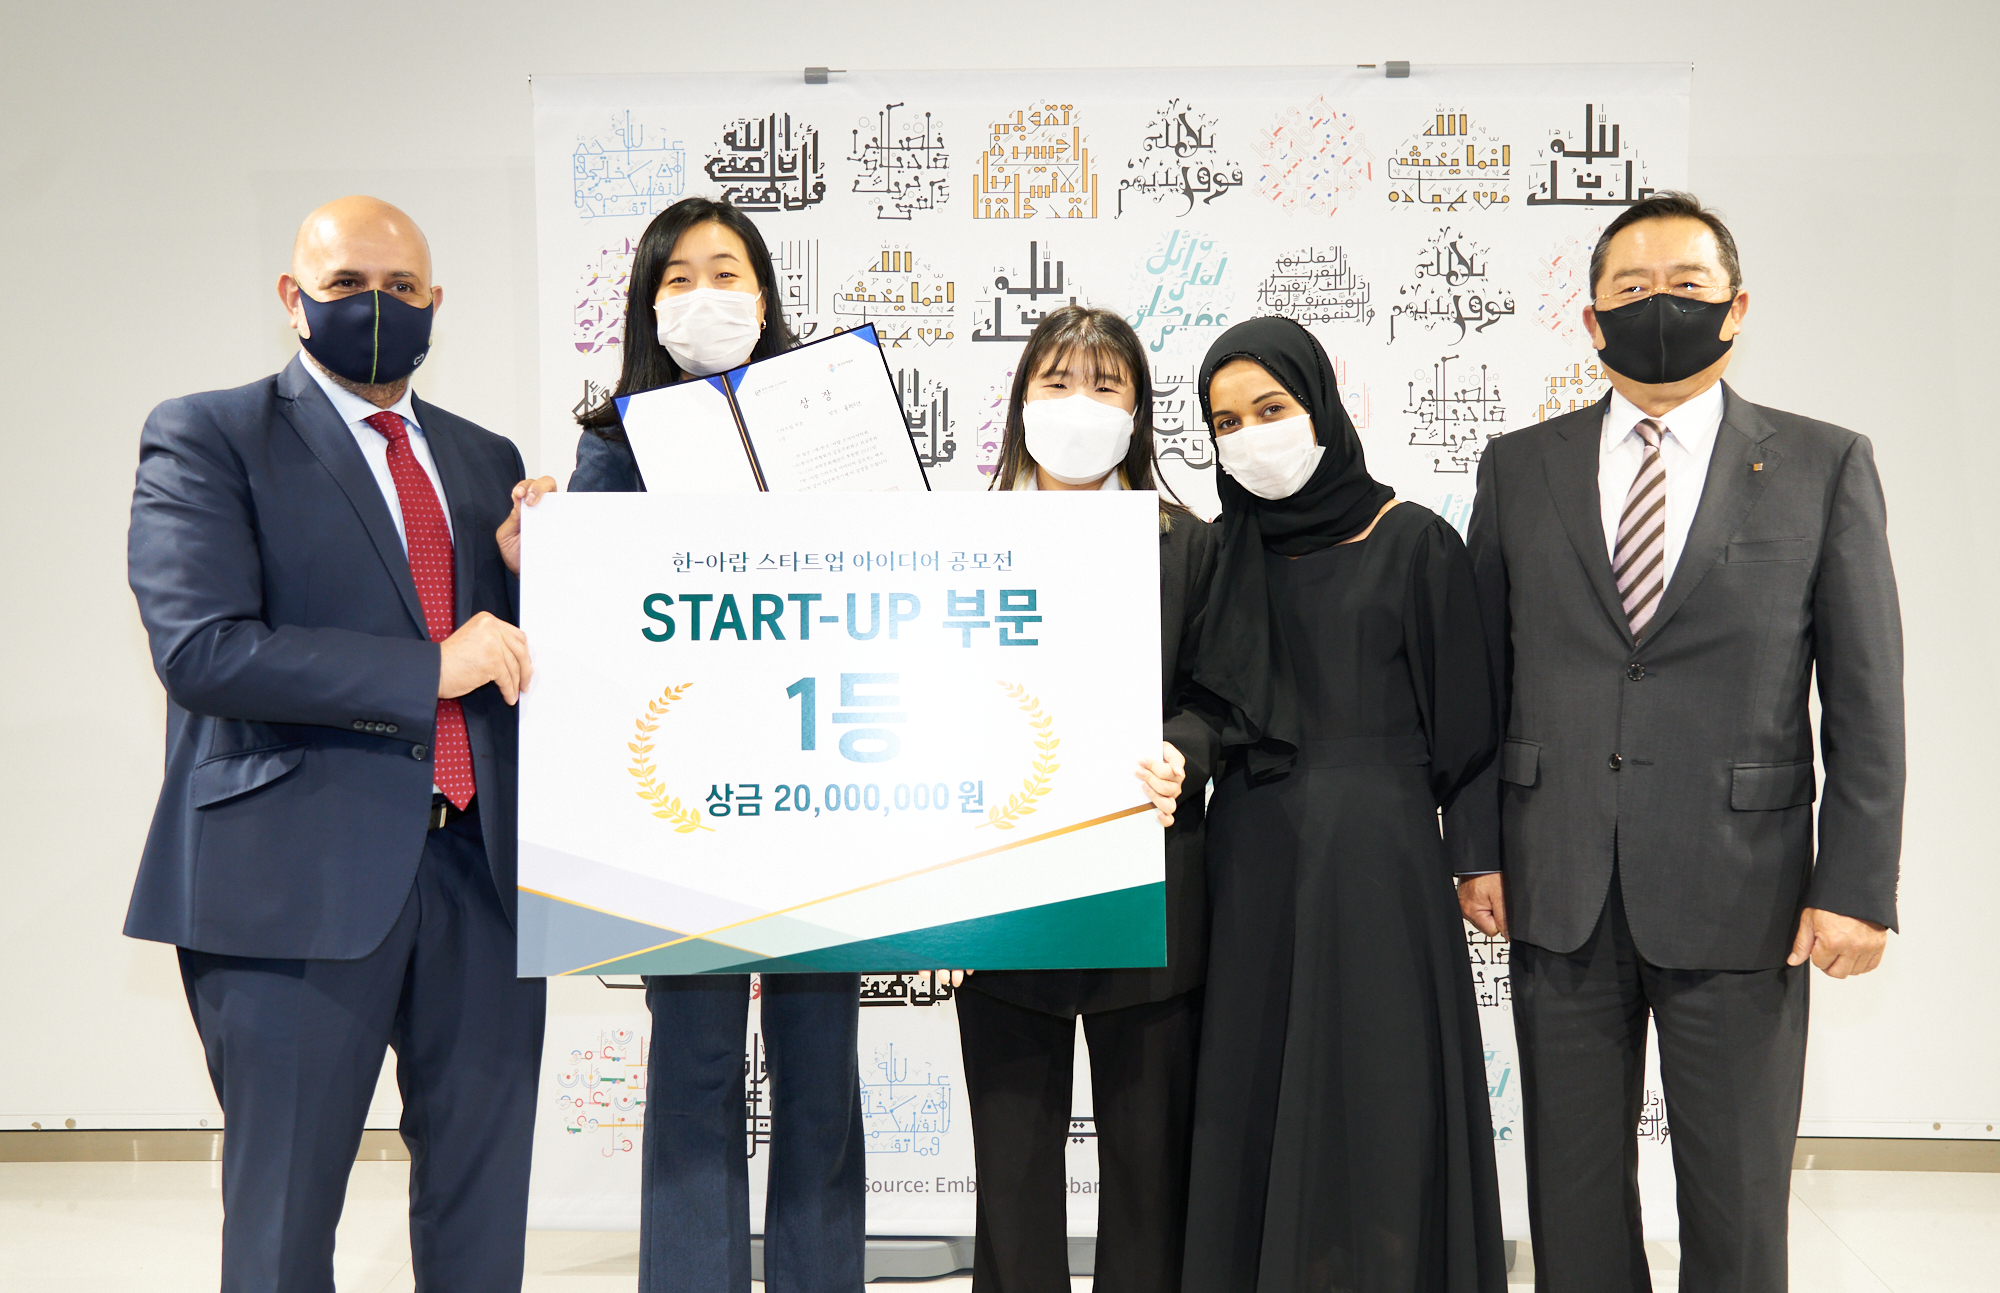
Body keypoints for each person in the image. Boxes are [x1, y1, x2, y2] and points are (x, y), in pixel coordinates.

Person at [1445, 191, 1904, 1292]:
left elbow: (1865, 695)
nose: (1661, 305)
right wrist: (1475, 847)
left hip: (1742, 889)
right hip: (1557, 882)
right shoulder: (1519, 466)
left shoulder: (1822, 463)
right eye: (1632, 288)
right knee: (1571, 1202)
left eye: (1687, 286)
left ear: (1736, 307)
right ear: (1592, 319)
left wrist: (1856, 884)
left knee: (1736, 1198)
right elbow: (1479, 680)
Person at [124, 196, 550, 1292]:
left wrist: (538, 573)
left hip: (481, 873)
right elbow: (203, 650)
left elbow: (499, 655)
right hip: (292, 880)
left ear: (436, 302)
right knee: (283, 1220)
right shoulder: (209, 434)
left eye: (402, 288)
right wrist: (426, 670)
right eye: (348, 284)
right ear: (292, 296)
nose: (377, 306)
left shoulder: (483, 457)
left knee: (483, 1213)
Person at [565, 195, 865, 1293]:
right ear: (650, 304)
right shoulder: (613, 444)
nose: (706, 294)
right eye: (679, 277)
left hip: (822, 784)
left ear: (765, 292)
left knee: (820, 1069)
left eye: (727, 271)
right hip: (681, 804)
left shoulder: (829, 427)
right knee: (693, 1067)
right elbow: (592, 615)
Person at [1179, 316, 1506, 1293]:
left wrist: (1476, 858)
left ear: (1319, 404)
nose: (1250, 436)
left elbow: (1469, 729)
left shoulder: (1415, 541)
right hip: (1248, 861)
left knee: (1382, 1095)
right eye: (1226, 422)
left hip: (1381, 863)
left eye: (1269, 408)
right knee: (1255, 1094)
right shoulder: (1219, 554)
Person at [950, 305, 1218, 1293]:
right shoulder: (959, 541)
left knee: (1150, 1173)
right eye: (1057, 382)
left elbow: (1219, 699)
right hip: (1000, 896)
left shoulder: (1187, 545)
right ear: (1020, 400)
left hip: (1148, 888)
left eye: (1107, 386)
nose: (1080, 404)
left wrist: (1181, 753)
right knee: (1012, 1170)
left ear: (1138, 412)